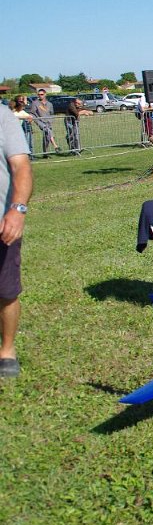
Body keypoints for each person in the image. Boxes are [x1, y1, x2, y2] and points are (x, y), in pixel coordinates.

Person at [0, 103, 33, 377]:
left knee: (6, 291)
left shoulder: (2, 117)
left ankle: (7, 351)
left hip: (2, 223)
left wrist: (17, 210)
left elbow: (21, 166)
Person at [27, 89, 58, 155]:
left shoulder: (49, 104)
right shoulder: (35, 103)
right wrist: (32, 118)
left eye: (41, 94)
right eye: (39, 94)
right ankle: (55, 146)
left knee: (47, 136)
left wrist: (51, 120)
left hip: (48, 122)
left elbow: (52, 113)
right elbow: (32, 113)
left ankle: (45, 153)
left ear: (45, 94)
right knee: (48, 131)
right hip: (39, 121)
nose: (40, 96)